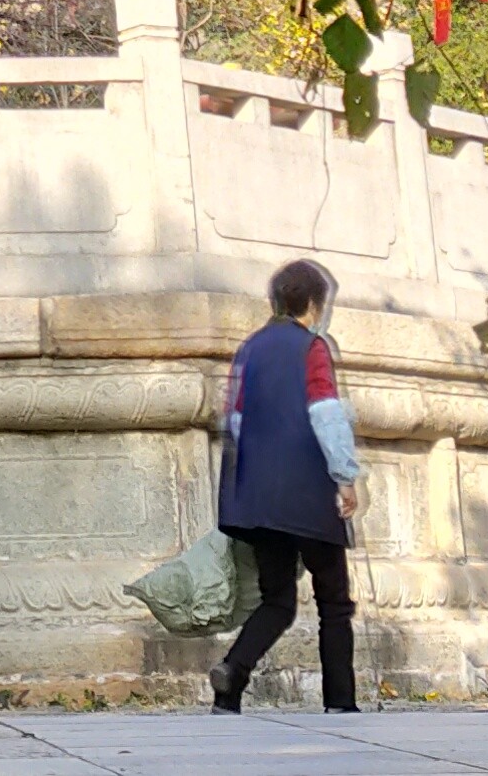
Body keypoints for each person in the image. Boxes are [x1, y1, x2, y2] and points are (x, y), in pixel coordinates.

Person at [210, 256, 360, 712]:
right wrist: (346, 478)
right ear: (314, 304)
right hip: (307, 493)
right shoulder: (312, 347)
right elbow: (325, 414)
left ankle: (231, 677)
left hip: (257, 495)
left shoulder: (249, 349)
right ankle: (340, 702)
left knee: (277, 600)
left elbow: (234, 420)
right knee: (334, 601)